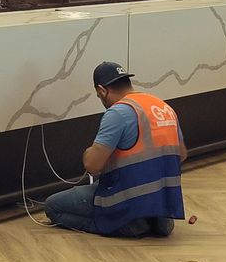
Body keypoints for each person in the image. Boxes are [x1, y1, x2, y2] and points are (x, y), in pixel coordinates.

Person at [44, 62, 187, 237]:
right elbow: (182, 154)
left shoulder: (118, 113)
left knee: (53, 206)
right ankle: (156, 221)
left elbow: (92, 165)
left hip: (127, 202)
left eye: (99, 95)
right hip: (162, 202)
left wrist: (89, 152)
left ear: (102, 90)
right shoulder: (162, 107)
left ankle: (125, 224)